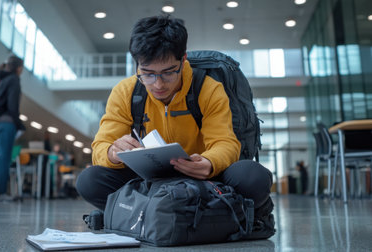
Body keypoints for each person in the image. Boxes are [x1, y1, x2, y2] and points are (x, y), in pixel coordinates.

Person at [76, 15, 274, 236]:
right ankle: (211, 214)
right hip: (150, 182)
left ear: (183, 59)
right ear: (137, 64)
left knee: (253, 177)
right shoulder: (125, 92)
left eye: (169, 72)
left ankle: (143, 213)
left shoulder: (208, 89)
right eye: (148, 74)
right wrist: (112, 152)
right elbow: (100, 146)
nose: (158, 84)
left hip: (204, 180)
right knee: (89, 180)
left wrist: (210, 162)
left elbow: (225, 142)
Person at [0, 55, 25, 201]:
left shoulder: (1, 79)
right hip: (6, 124)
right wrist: (20, 124)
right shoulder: (14, 80)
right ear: (19, 68)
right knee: (4, 160)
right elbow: (12, 106)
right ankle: (0, 193)